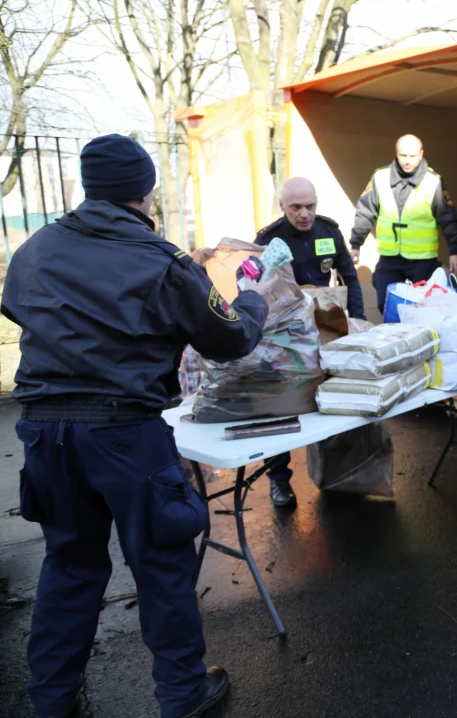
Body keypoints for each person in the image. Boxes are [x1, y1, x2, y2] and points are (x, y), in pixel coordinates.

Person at [1, 134, 269, 718]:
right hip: (124, 433)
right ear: (145, 191)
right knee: (161, 559)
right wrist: (249, 297)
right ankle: (182, 692)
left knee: (69, 562)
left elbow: (17, 307)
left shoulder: (36, 248)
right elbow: (229, 338)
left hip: (46, 430)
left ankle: (52, 698)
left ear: (88, 185)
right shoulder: (159, 260)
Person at [254, 177, 365, 508]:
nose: (304, 214)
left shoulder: (329, 231)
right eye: (296, 207)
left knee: (333, 401)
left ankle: (338, 472)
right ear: (282, 207)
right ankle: (279, 481)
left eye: (310, 206)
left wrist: (357, 321)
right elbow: (253, 286)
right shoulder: (268, 239)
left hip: (324, 327)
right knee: (280, 408)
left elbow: (350, 276)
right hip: (284, 336)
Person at [350, 134, 457, 314]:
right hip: (390, 258)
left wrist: (455, 251)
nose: (408, 161)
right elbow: (365, 211)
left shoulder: (433, 181)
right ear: (396, 154)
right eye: (403, 156)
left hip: (422, 260)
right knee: (385, 304)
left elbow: (448, 218)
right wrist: (356, 244)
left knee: (423, 307)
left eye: (412, 156)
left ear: (421, 154)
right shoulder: (380, 177)